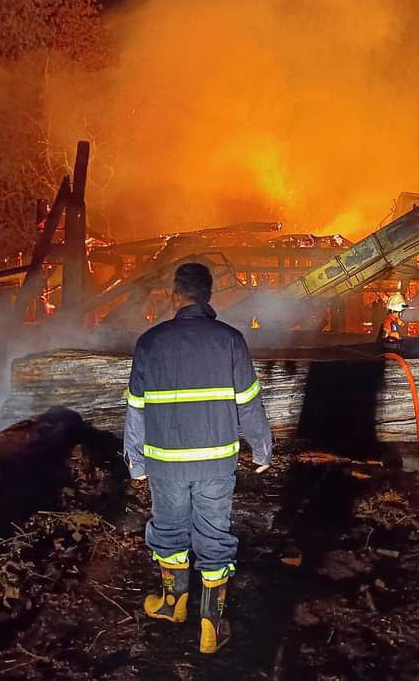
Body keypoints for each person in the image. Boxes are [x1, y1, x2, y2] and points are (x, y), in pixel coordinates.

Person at [124, 262, 273, 653]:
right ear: (209, 296)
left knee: (170, 529)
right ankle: (211, 625)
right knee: (213, 534)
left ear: (176, 295)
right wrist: (262, 447)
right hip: (215, 464)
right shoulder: (230, 340)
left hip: (165, 463)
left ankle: (173, 604)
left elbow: (136, 408)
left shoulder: (150, 342)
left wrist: (135, 461)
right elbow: (249, 402)